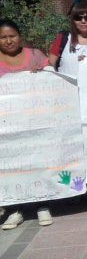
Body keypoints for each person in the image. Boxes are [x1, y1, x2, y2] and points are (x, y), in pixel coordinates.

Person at [0, 19, 53, 229]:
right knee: (12, 166)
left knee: (38, 161)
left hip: (36, 122)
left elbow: (52, 78)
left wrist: (43, 74)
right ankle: (15, 209)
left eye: (12, 35)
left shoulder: (35, 55)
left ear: (19, 36)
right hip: (7, 126)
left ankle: (43, 205)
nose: (8, 40)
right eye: (3, 37)